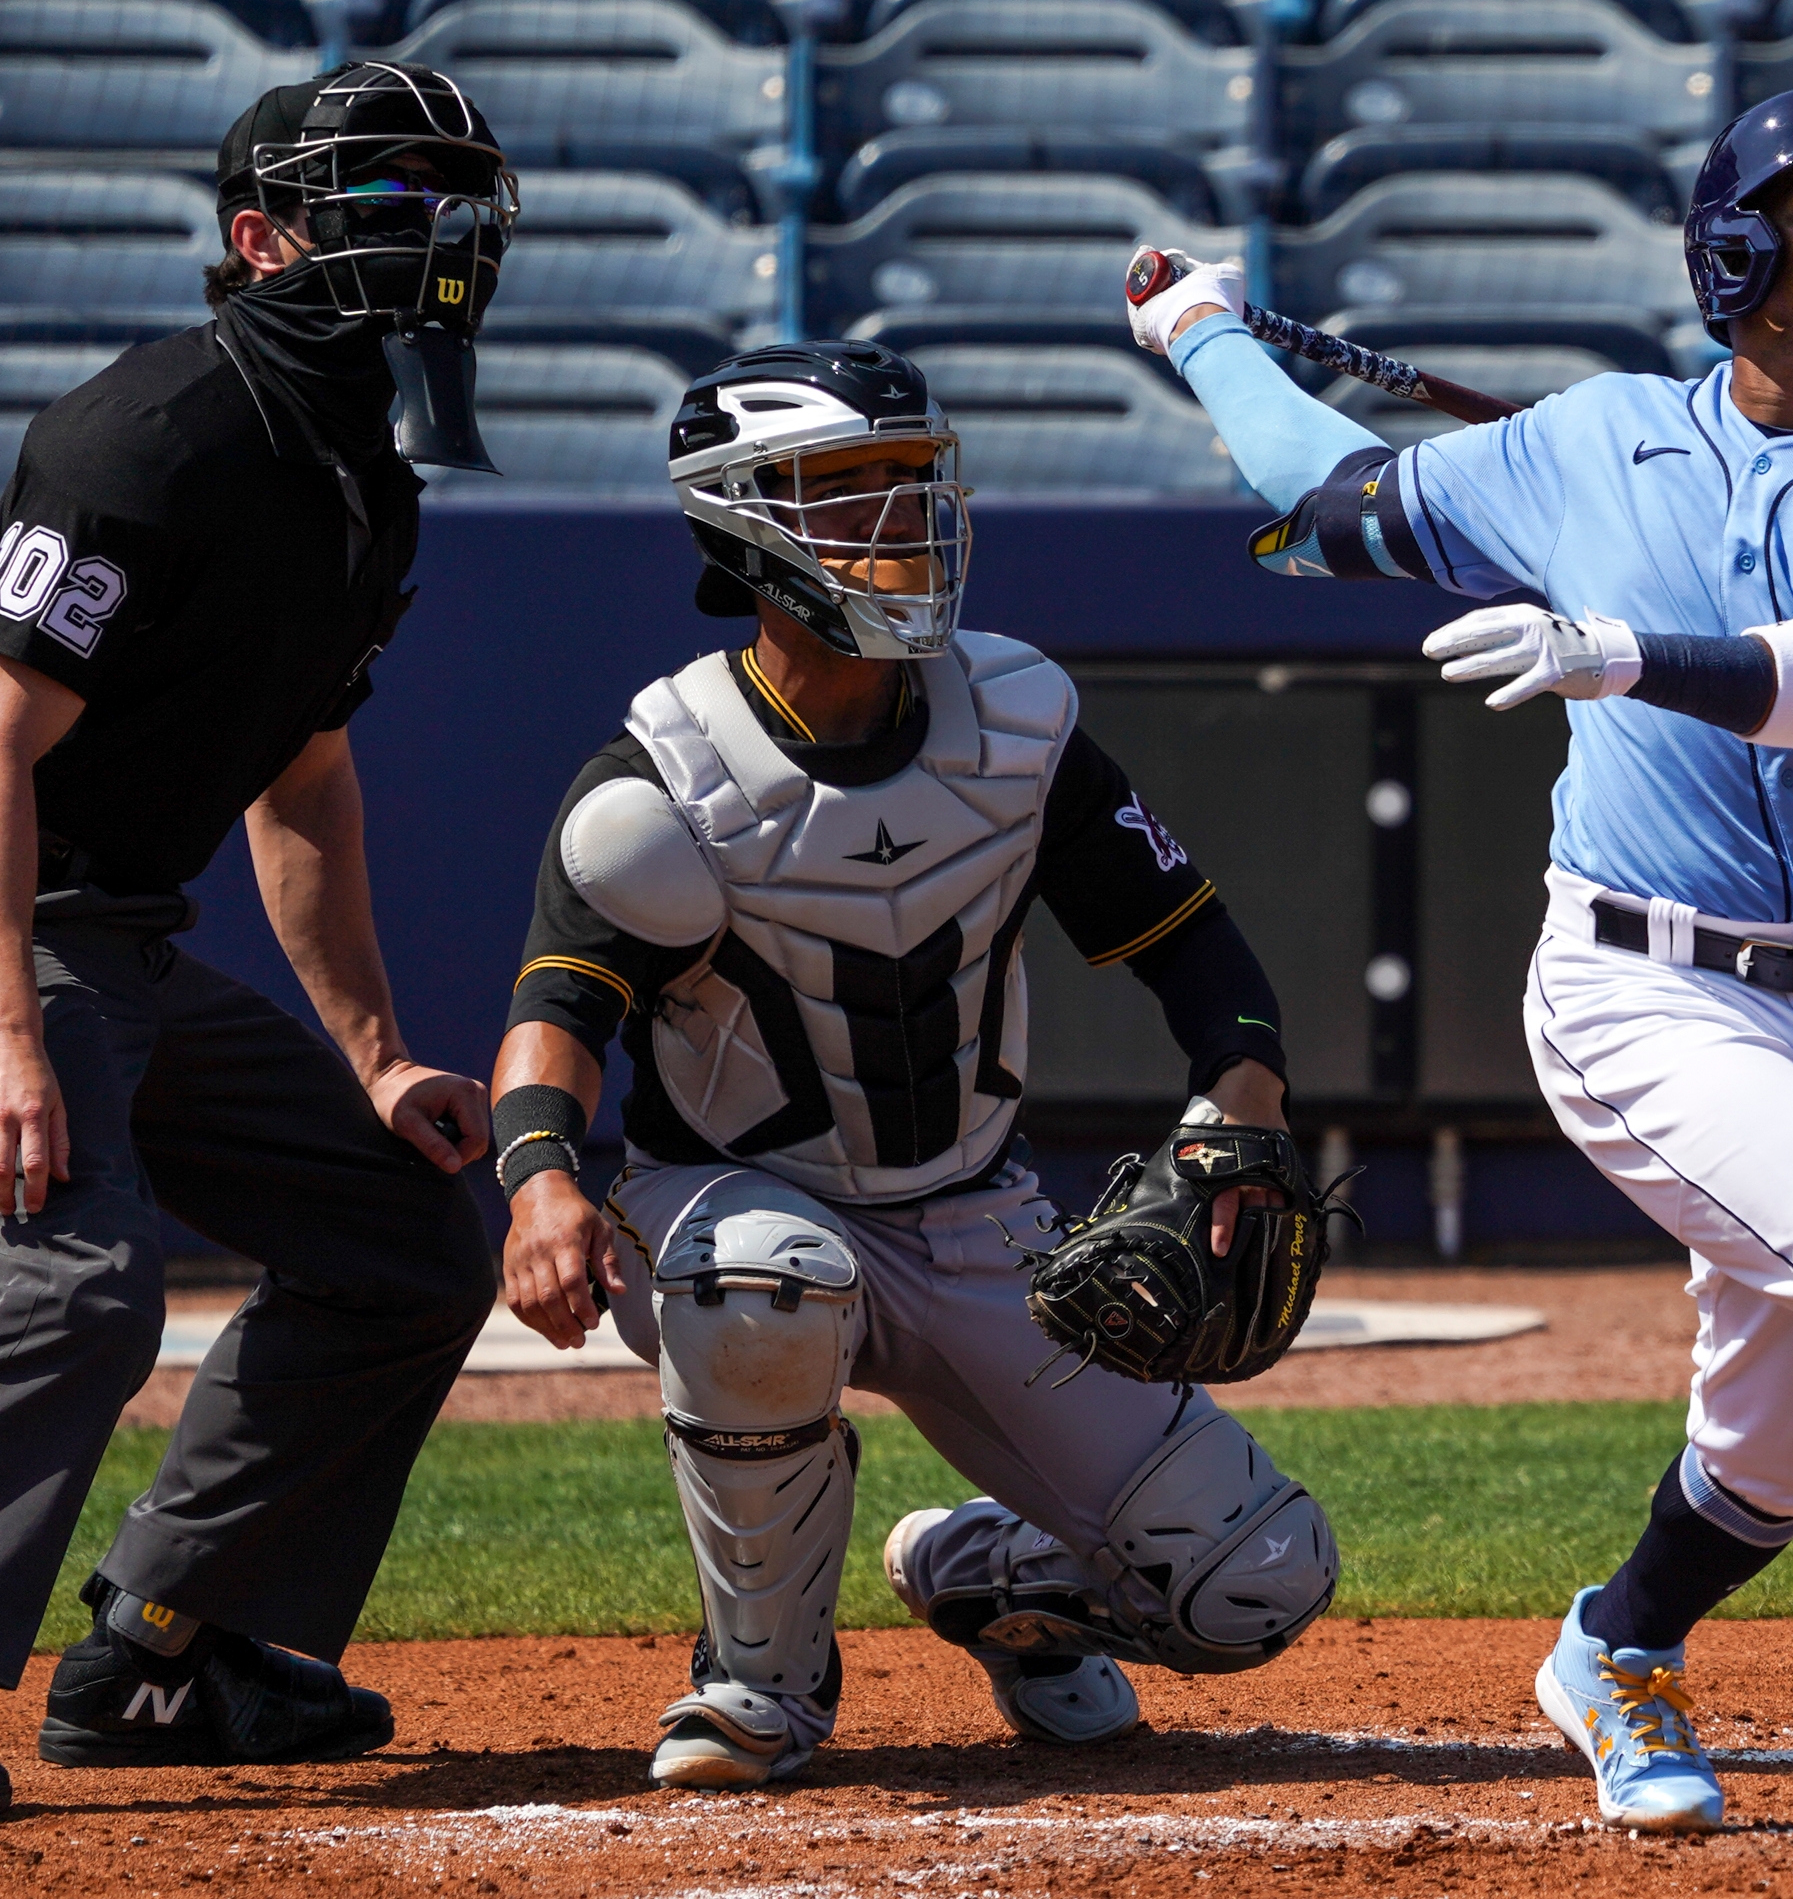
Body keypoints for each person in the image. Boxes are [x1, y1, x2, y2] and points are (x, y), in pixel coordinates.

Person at [1130, 86, 1793, 1865]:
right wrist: (1206, 331)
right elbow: (1327, 488)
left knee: (1788, 1448)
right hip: (1641, 986)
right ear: (1734, 250)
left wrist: (1626, 648)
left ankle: (1614, 1652)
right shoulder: (1590, 441)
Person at [491, 339, 1336, 1789]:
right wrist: (540, 1184)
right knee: (768, 1284)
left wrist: (1236, 1119)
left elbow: (1199, 953)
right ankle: (762, 1678)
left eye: (912, 484)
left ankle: (978, 1567)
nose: (900, 524)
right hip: (728, 1204)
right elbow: (554, 1014)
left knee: (1257, 1577)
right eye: (848, 492)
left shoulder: (1017, 721)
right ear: (742, 523)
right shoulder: (666, 777)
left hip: (970, 1211)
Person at [0, 64, 516, 1773]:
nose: (435, 235)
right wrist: (10, 1035)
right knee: (75, 1289)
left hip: (117, 934)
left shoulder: (366, 467)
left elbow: (299, 783)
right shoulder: (144, 440)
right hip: (22, 932)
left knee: (411, 1228)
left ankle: (164, 1649)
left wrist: (373, 1061)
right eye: (385, 198)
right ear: (260, 238)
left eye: (453, 198)